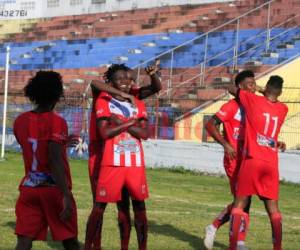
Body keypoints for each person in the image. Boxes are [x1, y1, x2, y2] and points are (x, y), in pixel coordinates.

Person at [85, 64, 157, 250]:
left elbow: (155, 88)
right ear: (111, 81)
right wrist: (126, 95)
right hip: (101, 155)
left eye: (129, 79)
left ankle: (124, 245)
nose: (126, 83)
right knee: (99, 204)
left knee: (124, 204)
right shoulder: (103, 96)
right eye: (121, 79)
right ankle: (95, 246)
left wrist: (152, 76)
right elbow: (94, 83)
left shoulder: (135, 97)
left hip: (127, 158)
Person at [13, 71, 80, 250]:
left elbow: (34, 147)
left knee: (24, 241)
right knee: (69, 240)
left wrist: (61, 144)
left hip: (29, 188)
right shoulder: (57, 122)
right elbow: (53, 158)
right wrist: (66, 194)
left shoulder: (20, 121)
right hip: (53, 190)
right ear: (57, 94)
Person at [226, 76, 288, 250]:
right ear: (280, 92)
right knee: (273, 209)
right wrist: (267, 91)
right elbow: (273, 97)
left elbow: (232, 89)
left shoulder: (253, 100)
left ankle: (233, 246)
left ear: (266, 87)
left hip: (253, 160)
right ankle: (277, 247)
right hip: (271, 163)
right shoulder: (283, 109)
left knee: (240, 203)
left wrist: (259, 89)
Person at [203, 70, 256, 249]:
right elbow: (210, 124)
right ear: (239, 87)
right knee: (243, 200)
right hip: (234, 160)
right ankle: (237, 242)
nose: (254, 88)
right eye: (250, 84)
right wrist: (225, 144)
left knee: (244, 201)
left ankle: (214, 227)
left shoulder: (254, 107)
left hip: (250, 160)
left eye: (255, 84)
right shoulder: (232, 106)